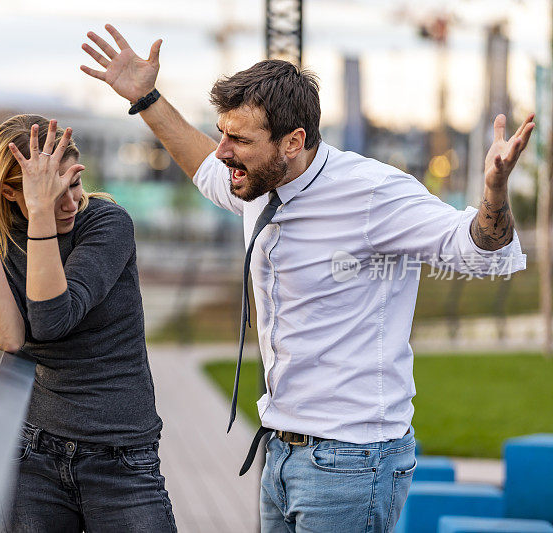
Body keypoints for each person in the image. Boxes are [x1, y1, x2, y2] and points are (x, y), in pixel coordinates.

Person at [80, 24, 533, 531]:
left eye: (238, 139)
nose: (223, 150)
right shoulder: (257, 181)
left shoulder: (372, 193)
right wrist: (147, 99)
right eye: (223, 133)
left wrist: (494, 191)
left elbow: (480, 250)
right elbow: (204, 167)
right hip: (281, 450)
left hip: (352, 462)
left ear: (293, 141)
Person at [0, 114, 177, 532]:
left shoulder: (106, 224)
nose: (70, 204)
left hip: (120, 458)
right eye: (53, 195)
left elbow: (52, 319)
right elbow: (9, 338)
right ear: (12, 193)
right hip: (32, 456)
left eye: (74, 185)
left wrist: (42, 214)